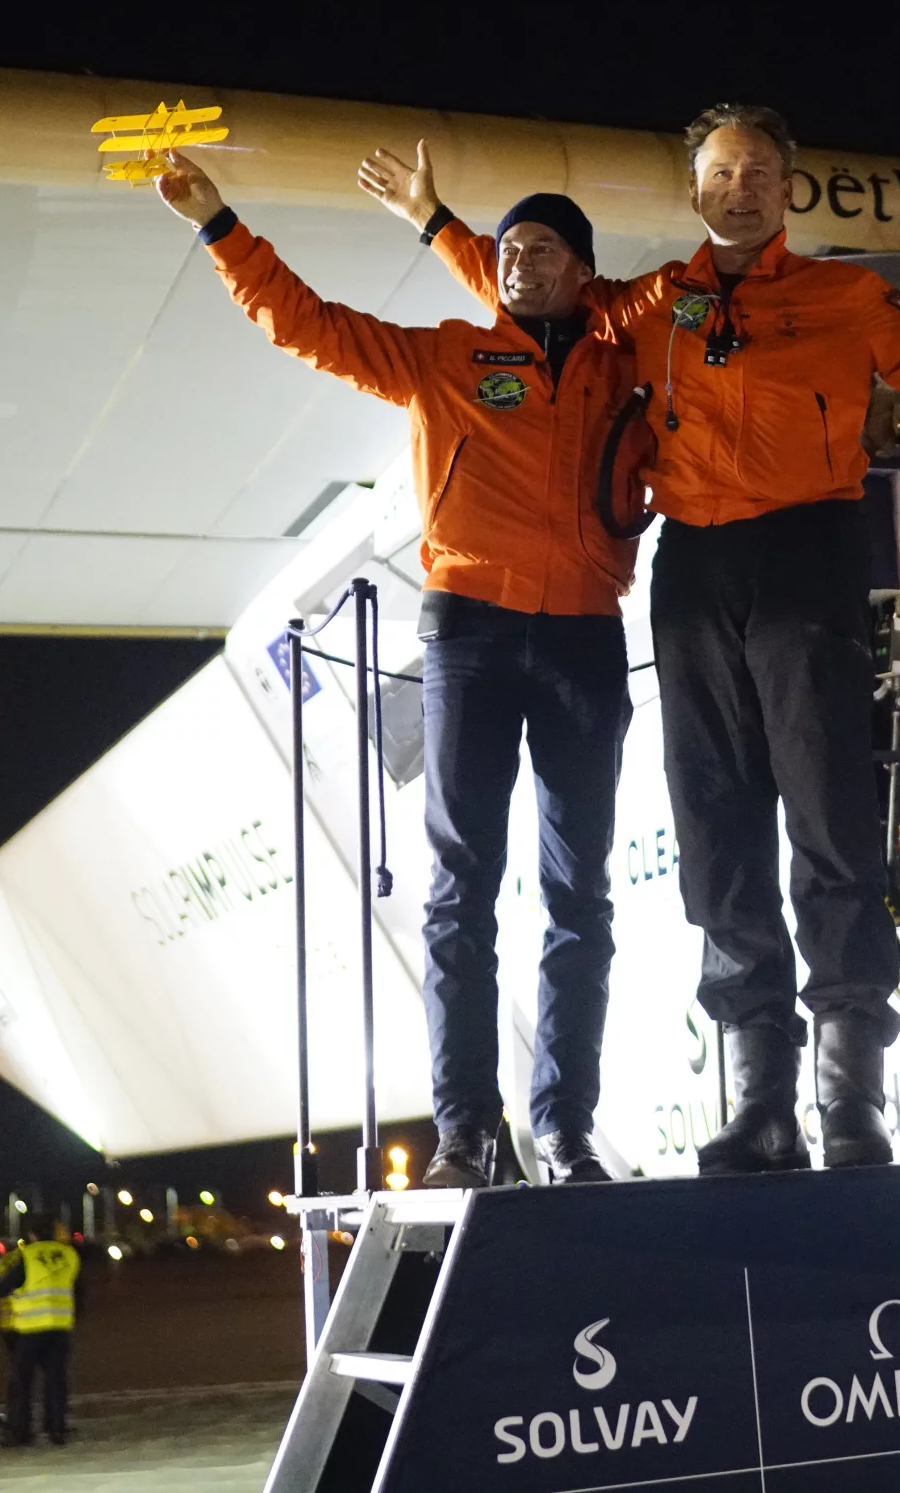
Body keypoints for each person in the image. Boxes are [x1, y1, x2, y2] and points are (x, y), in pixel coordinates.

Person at [373, 106, 900, 1175]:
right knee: (716, 834)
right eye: (719, 172)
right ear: (695, 194)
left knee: (831, 826)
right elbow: (536, 290)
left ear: (786, 191)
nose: (739, 187)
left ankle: (852, 1105)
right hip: (692, 573)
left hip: (807, 564)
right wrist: (435, 223)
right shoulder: (656, 300)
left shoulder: (846, 298)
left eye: (758, 171)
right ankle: (762, 1109)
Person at [159, 153, 645, 1186]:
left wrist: (441, 222)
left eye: (542, 249)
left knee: (580, 893)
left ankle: (563, 1128)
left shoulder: (625, 361)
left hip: (583, 641)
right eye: (506, 249)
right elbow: (312, 326)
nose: (517, 264)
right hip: (467, 633)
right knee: (460, 886)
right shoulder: (449, 357)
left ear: (584, 272)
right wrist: (219, 225)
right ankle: (466, 1132)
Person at [0, 1226, 82, 1447]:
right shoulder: (69, 1254)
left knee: (21, 1382)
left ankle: (19, 1432)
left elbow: (3, 1288)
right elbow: (78, 1289)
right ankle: (56, 1428)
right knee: (56, 1380)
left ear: (32, 1234)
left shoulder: (28, 1255)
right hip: (59, 1327)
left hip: (30, 1328)